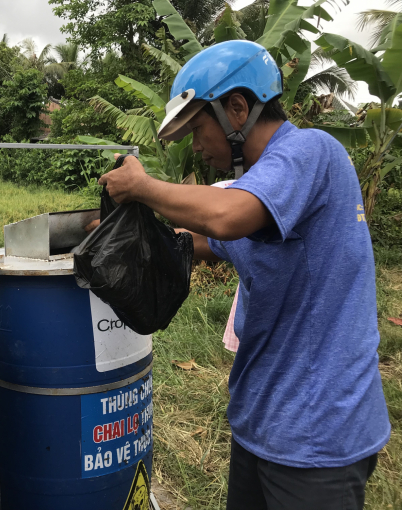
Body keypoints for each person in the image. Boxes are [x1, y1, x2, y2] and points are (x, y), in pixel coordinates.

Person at [96, 40, 390, 510]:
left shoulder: (311, 153)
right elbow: (205, 241)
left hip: (317, 433)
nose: (196, 148)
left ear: (237, 108)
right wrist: (110, 233)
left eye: (197, 130)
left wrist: (143, 187)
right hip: (263, 419)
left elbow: (227, 218)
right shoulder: (259, 186)